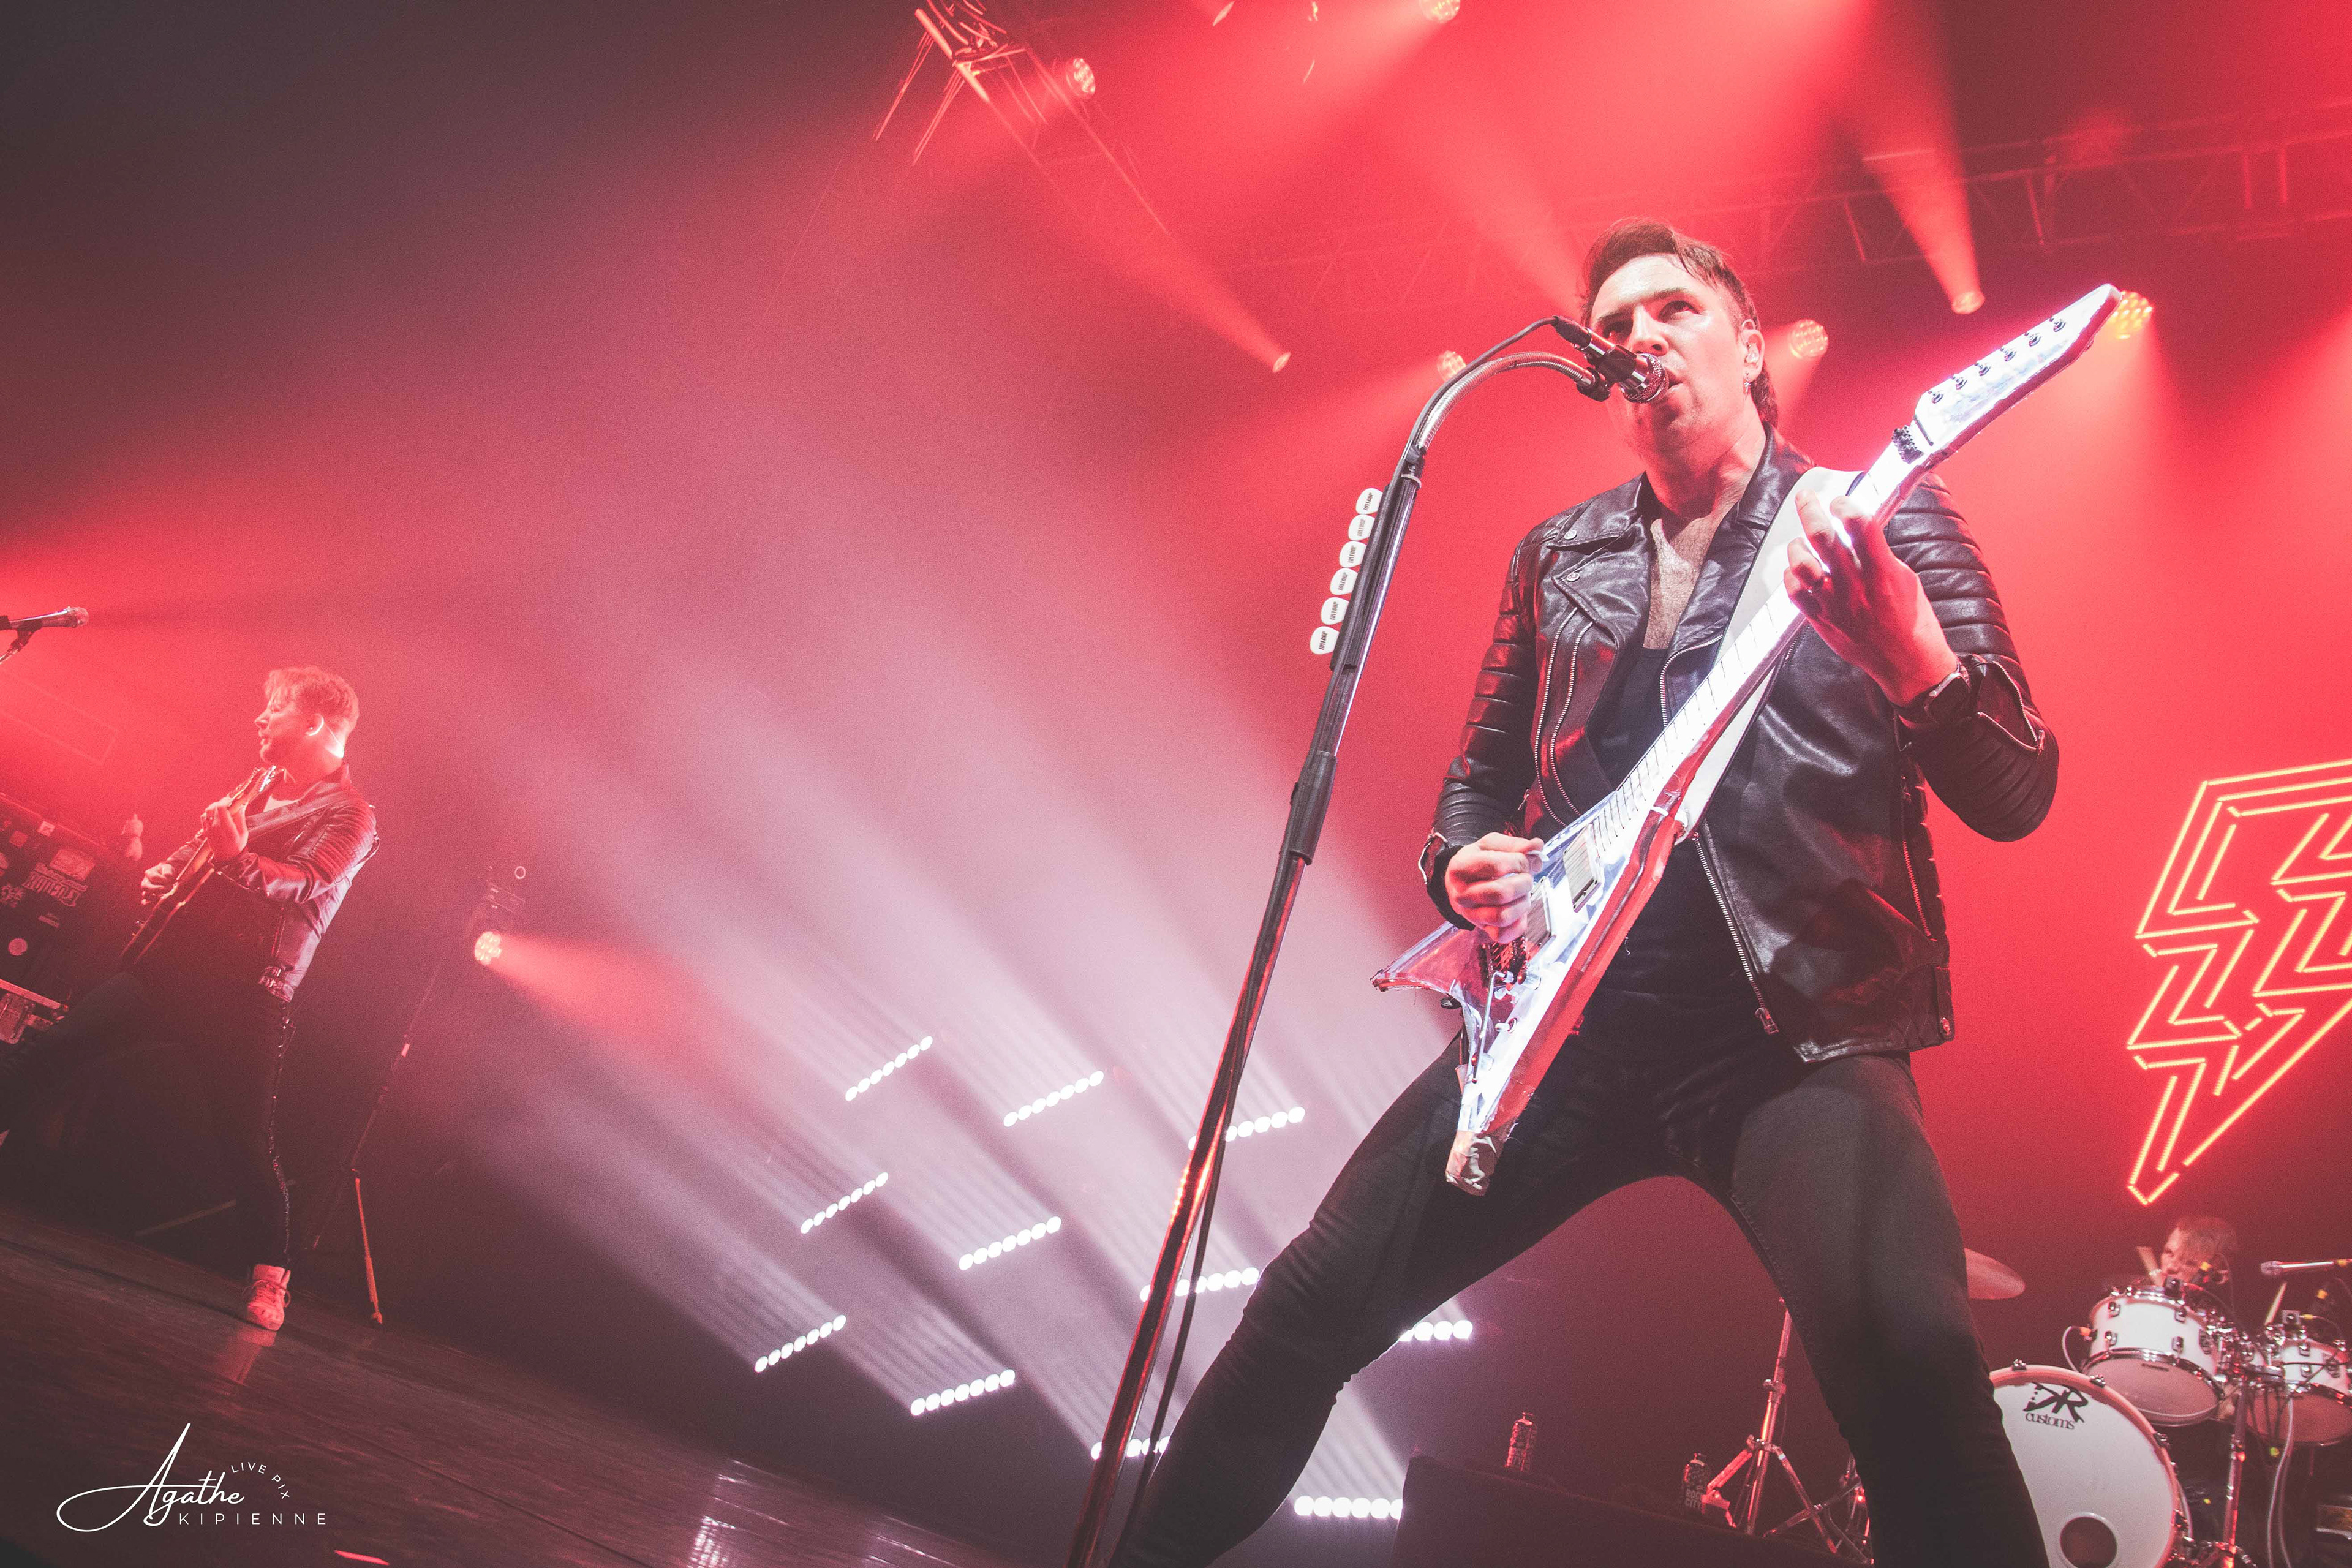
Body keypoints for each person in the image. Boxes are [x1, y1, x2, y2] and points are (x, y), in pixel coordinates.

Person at [1109, 221, 2059, 1568]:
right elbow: (1478, 781)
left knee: (1915, 1374)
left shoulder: (1875, 516)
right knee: (1310, 1301)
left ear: (1749, 340)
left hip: (1794, 1029)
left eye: (1673, 309)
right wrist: (1462, 865)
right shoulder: (1559, 554)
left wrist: (1917, 665)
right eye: (1615, 326)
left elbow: (2020, 789)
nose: (1639, 339)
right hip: (1566, 1023)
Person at [0, 667, 377, 1332]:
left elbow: (307, 880)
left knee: (246, 1140)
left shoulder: (352, 814)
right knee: (51, 1052)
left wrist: (235, 858)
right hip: (169, 969)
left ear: (315, 722)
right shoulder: (255, 784)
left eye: (276, 708)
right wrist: (168, 872)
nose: (261, 718)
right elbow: (197, 853)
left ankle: (271, 1277)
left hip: (245, 993)